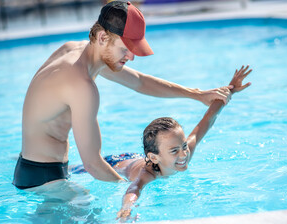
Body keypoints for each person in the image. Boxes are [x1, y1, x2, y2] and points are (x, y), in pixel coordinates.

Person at [12, 0, 234, 190]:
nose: (132, 56)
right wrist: (134, 190)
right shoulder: (81, 85)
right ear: (102, 37)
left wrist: (197, 95)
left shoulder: (77, 50)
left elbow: (140, 82)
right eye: (125, 48)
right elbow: (93, 165)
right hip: (43, 179)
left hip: (36, 168)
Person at [70, 65, 252, 221]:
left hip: (137, 157)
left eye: (184, 146)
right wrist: (127, 208)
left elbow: (207, 120)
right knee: (71, 172)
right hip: (115, 163)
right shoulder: (148, 174)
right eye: (174, 151)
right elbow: (133, 189)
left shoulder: (182, 152)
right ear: (154, 158)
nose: (183, 154)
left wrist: (231, 90)